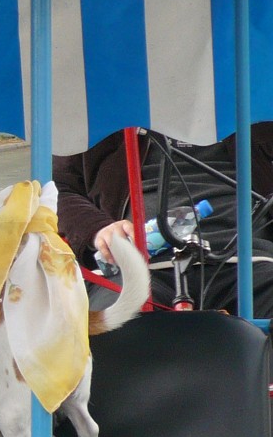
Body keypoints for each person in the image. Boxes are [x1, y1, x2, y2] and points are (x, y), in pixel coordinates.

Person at [54, 125, 273, 316]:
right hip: (138, 265)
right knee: (112, 334)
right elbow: (56, 188)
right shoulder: (99, 113)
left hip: (254, 260)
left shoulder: (257, 105)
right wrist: (99, 229)